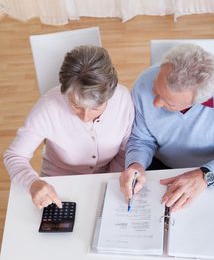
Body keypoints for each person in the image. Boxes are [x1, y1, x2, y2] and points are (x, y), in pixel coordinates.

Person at [120, 44, 214, 212]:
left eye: (169, 103)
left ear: (199, 101)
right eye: (156, 89)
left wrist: (205, 176)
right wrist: (136, 165)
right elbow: (141, 139)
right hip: (161, 165)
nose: (156, 103)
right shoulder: (143, 83)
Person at [4, 45, 134, 209]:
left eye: (96, 108)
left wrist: (109, 181)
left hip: (109, 179)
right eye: (76, 105)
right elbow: (15, 155)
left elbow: (125, 151)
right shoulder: (48, 107)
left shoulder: (123, 100)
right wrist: (32, 183)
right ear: (64, 91)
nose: (86, 117)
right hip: (58, 184)